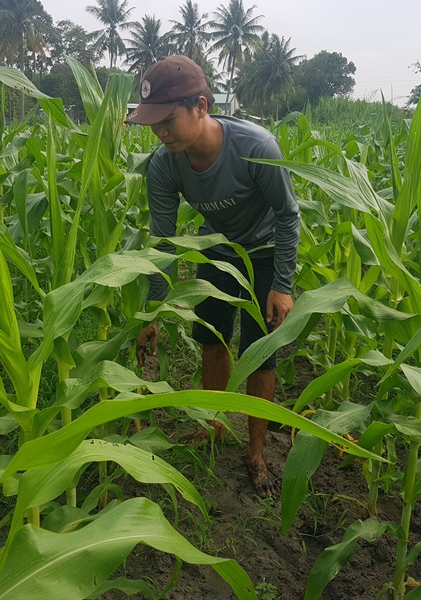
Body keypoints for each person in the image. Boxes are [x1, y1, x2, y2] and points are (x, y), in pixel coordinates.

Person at [127, 55, 300, 498]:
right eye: (153, 124)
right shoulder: (164, 165)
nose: (160, 132)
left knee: (260, 352)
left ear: (201, 106)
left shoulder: (256, 147)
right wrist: (154, 310)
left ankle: (256, 451)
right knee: (212, 338)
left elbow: (287, 214)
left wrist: (282, 284)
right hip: (217, 250)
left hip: (264, 252)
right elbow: (163, 240)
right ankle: (216, 424)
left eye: (167, 120)